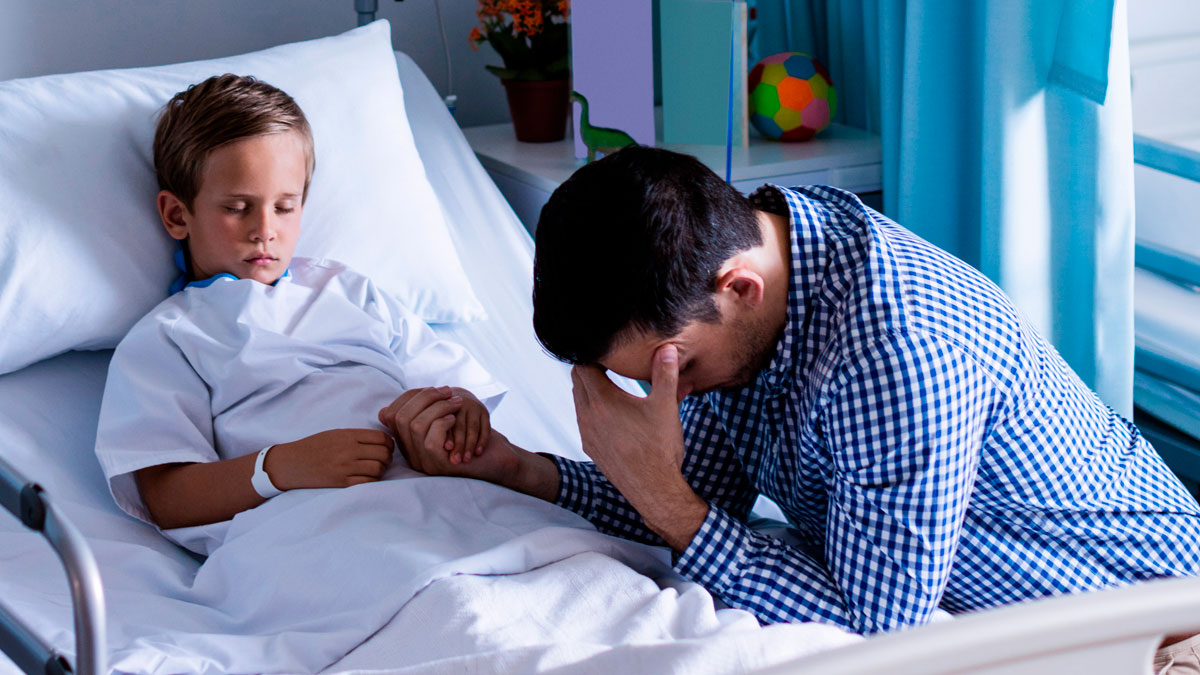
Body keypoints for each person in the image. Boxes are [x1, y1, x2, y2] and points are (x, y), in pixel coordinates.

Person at [391, 146, 1200, 649]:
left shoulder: (895, 350)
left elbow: (880, 628)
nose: (662, 392)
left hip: (1151, 620)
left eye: (674, 369)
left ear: (738, 287)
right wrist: (517, 467)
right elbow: (697, 491)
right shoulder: (742, 273)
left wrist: (676, 510)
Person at [94, 74, 504, 555]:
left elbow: (448, 388)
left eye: (285, 207)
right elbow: (166, 496)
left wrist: (462, 414)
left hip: (441, 498)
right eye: (238, 207)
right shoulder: (168, 338)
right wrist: (280, 467)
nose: (265, 230)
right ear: (177, 215)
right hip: (316, 524)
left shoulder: (348, 290)